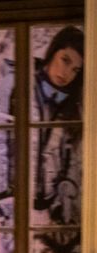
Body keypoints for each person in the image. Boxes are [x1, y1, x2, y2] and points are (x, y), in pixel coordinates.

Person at [31, 25, 84, 225]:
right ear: (53, 52)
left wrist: (65, 199)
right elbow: (0, 147)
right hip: (15, 205)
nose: (67, 73)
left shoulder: (71, 106)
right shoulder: (23, 87)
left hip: (50, 207)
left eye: (75, 70)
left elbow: (69, 157)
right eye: (65, 60)